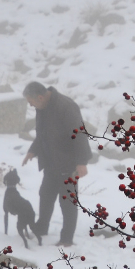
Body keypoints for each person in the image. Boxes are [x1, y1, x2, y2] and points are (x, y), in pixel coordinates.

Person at [21, 81, 92, 246]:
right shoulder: (42, 107)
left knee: (67, 201)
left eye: (31, 102)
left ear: (40, 97)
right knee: (45, 195)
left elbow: (79, 134)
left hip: (68, 162)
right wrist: (33, 150)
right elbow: (43, 133)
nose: (31, 105)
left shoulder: (66, 107)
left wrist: (81, 162)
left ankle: (67, 239)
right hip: (51, 161)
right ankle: (41, 228)